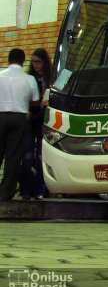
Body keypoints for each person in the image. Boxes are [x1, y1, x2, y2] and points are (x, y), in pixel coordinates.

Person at [0, 48, 39, 201]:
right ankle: (5, 193)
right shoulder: (29, 79)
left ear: (8, 60)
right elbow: (35, 101)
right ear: (23, 62)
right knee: (13, 156)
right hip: (19, 119)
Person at [19, 48, 52, 200]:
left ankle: (41, 190)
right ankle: (26, 189)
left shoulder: (51, 78)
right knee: (27, 156)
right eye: (33, 62)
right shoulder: (30, 78)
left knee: (41, 157)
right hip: (32, 120)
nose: (36, 65)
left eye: (38, 62)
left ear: (44, 62)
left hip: (44, 120)